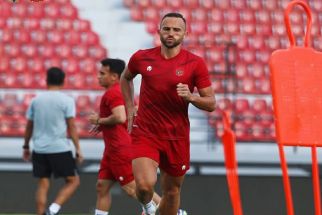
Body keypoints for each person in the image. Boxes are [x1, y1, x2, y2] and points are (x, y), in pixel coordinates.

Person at [120, 12, 216, 215]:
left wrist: (192, 97)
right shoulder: (141, 57)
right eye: (167, 28)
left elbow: (211, 103)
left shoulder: (195, 63)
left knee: (172, 192)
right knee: (145, 187)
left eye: (176, 30)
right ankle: (148, 208)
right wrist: (129, 106)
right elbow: (125, 77)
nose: (171, 33)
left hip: (176, 136)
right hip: (146, 132)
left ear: (185, 34)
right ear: (159, 30)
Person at [88, 58, 162, 215]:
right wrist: (102, 124)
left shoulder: (112, 93)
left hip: (119, 147)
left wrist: (99, 120)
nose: (98, 76)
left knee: (132, 188)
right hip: (112, 149)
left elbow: (120, 117)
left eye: (102, 73)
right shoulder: (121, 91)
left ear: (114, 76)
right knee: (102, 187)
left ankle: (173, 211)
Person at [22, 67, 84, 215]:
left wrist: (26, 146)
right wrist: (78, 149)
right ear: (63, 81)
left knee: (43, 184)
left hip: (39, 149)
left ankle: (41, 213)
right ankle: (53, 209)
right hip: (59, 148)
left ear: (46, 81)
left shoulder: (36, 100)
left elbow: (29, 126)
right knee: (73, 181)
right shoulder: (67, 100)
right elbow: (72, 126)